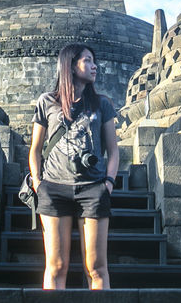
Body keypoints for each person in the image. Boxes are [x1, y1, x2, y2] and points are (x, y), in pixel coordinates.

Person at [28, 43, 120, 290]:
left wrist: (108, 184)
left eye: (94, 60)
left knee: (97, 268)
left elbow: (113, 150)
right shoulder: (47, 102)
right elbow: (35, 149)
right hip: (54, 190)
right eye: (87, 60)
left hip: (93, 190)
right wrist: (38, 183)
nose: (94, 66)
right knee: (56, 267)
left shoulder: (102, 104)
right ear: (70, 65)